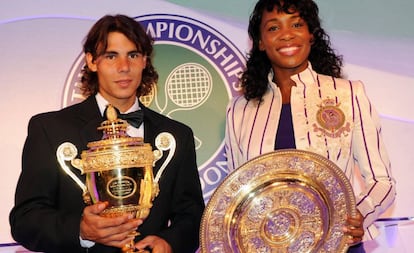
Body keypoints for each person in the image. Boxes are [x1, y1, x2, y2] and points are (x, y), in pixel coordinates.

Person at [10, 14, 205, 253]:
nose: (124, 67)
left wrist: (169, 243)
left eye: (133, 55)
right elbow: (26, 220)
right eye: (111, 56)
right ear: (92, 61)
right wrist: (81, 230)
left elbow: (192, 216)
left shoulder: (177, 135)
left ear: (145, 60)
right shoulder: (50, 129)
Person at [225, 0, 396, 252]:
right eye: (273, 28)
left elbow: (382, 181)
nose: (286, 34)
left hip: (339, 245)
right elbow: (237, 194)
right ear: (260, 42)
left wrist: (359, 214)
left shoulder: (348, 94)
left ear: (311, 35)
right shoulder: (239, 110)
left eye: (296, 24)